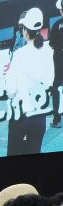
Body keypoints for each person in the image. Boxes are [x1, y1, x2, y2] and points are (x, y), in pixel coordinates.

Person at [6, 7, 53, 156]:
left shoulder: (19, 55)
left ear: (26, 30)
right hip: (40, 117)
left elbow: (11, 90)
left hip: (21, 116)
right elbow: (50, 82)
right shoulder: (48, 51)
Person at [50, 0, 63, 128]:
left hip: (59, 59)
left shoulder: (56, 25)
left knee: (56, 88)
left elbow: (51, 44)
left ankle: (57, 119)